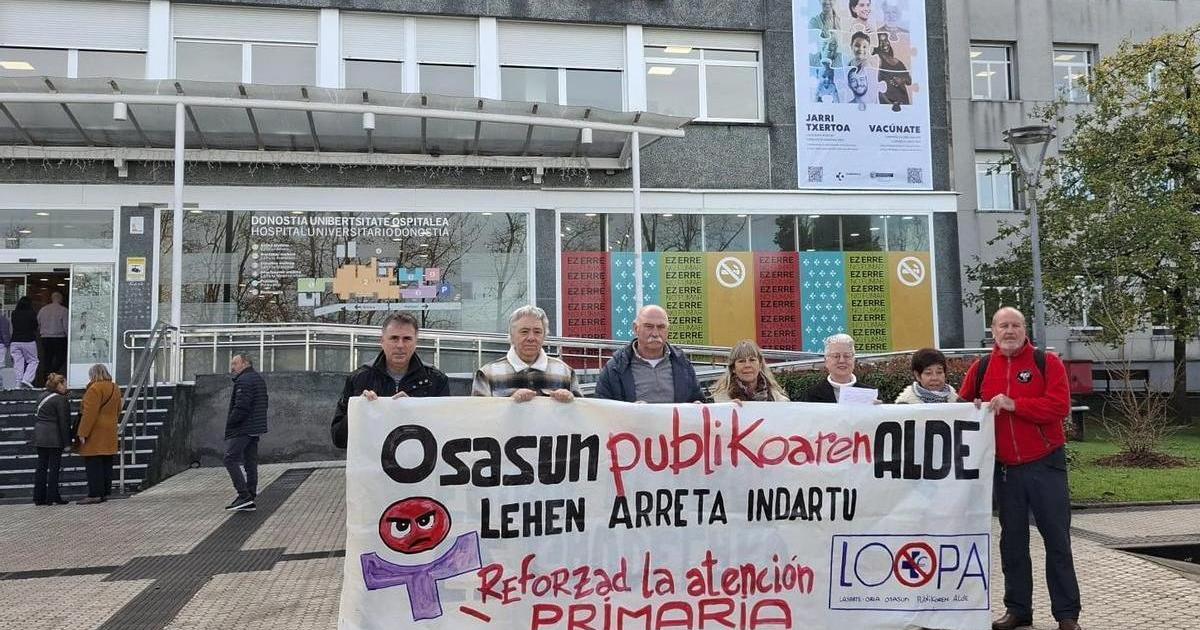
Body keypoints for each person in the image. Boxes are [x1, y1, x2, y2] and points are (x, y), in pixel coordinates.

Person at [958, 307, 1081, 630]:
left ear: (1025, 329)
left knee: (1057, 540)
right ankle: (1018, 610)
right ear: (993, 331)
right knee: (1012, 543)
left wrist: (1015, 405)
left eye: (1015, 325)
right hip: (1004, 470)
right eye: (1003, 326)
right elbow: (960, 408)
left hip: (1045, 463)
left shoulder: (1046, 362)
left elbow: (1059, 406)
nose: (1009, 331)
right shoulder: (982, 368)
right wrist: (972, 408)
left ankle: (1067, 614)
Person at [331, 312, 450, 449]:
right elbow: (338, 439)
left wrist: (415, 411)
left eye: (407, 339)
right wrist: (359, 409)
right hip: (372, 461)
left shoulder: (436, 380)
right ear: (382, 341)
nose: (400, 345)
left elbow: (446, 434)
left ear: (415, 342)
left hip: (418, 460)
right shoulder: (359, 379)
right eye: (394, 338)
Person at [594, 305, 704, 404]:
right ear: (636, 328)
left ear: (668, 330)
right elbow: (602, 407)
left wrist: (697, 406)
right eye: (649, 326)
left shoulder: (682, 364)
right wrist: (630, 412)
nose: (655, 333)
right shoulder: (616, 367)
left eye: (661, 327)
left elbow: (698, 399)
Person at [472, 305, 580, 402]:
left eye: (537, 332)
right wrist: (509, 402)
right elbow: (478, 414)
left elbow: (582, 412)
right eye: (524, 332)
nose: (531, 338)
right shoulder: (488, 374)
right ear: (512, 336)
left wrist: (571, 402)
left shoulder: (565, 372)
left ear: (544, 336)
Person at [223, 353, 268, 512]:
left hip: (244, 427)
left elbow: (242, 406)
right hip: (255, 427)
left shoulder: (244, 380)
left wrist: (231, 422)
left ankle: (244, 495)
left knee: (230, 459)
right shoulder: (257, 378)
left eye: (235, 363)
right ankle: (250, 496)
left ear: (245, 363)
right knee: (250, 462)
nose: (232, 367)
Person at [76, 363, 120, 504]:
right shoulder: (115, 387)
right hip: (110, 429)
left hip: (95, 431)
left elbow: (89, 413)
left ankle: (94, 493)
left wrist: (82, 432)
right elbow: (119, 409)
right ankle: (105, 492)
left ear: (93, 375)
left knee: (93, 462)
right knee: (106, 461)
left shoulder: (94, 389)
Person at [799, 333, 877, 402]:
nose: (842, 360)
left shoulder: (870, 394)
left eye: (847, 356)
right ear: (826, 361)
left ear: (854, 360)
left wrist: (879, 409)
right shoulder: (811, 396)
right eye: (836, 356)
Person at [31, 372, 71, 506]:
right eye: (64, 384)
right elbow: (64, 422)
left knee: (41, 467)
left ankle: (39, 497)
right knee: (54, 468)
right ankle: (52, 496)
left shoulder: (41, 396)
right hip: (54, 437)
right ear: (58, 385)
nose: (66, 386)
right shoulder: (61, 399)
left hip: (40, 435)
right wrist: (67, 442)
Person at [711, 340, 790, 402]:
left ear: (760, 365)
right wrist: (729, 409)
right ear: (733, 368)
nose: (747, 365)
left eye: (752, 360)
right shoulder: (720, 399)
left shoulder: (777, 398)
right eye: (741, 361)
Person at [894, 348, 960, 404]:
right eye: (928, 373)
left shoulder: (956, 402)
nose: (935, 378)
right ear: (917, 375)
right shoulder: (904, 405)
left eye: (939, 372)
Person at [37, 291, 69, 381]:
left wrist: (41, 332)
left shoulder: (43, 309)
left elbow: (38, 323)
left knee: (47, 357)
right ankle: (53, 372)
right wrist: (69, 337)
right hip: (59, 337)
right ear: (60, 299)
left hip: (45, 337)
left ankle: (47, 374)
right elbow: (66, 326)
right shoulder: (64, 310)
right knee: (61, 357)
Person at [9, 296, 38, 390]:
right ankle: (27, 379)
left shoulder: (14, 313)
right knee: (33, 361)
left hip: (14, 341)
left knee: (18, 363)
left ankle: (18, 383)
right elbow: (35, 326)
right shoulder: (31, 313)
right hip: (28, 340)